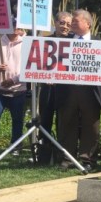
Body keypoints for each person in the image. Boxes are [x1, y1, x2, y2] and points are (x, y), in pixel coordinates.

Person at [55, 9, 101, 171]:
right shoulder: (64, 41)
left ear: (87, 23)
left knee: (91, 126)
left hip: (90, 92)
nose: (71, 24)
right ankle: (68, 158)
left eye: (76, 21)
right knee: (67, 123)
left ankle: (88, 159)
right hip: (68, 90)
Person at [36, 11, 72, 165]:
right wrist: (45, 76)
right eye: (62, 23)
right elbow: (37, 65)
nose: (65, 26)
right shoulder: (45, 41)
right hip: (48, 89)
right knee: (45, 121)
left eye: (69, 24)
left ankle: (62, 155)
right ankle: (44, 156)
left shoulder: (74, 41)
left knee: (64, 123)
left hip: (67, 90)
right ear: (55, 23)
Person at [0, 24, 27, 156]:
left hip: (18, 89)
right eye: (14, 24)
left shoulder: (27, 43)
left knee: (18, 119)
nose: (17, 28)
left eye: (20, 25)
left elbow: (28, 67)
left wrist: (14, 80)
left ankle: (16, 145)